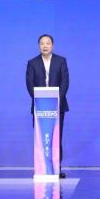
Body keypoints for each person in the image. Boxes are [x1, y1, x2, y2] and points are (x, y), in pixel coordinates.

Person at [26, 34, 70, 178]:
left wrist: (56, 100)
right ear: (39, 46)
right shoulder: (32, 63)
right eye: (42, 43)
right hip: (39, 107)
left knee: (56, 137)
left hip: (58, 106)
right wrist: (39, 100)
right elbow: (29, 84)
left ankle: (56, 168)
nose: (45, 46)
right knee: (41, 137)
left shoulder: (61, 61)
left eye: (48, 43)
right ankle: (41, 168)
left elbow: (65, 82)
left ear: (52, 45)